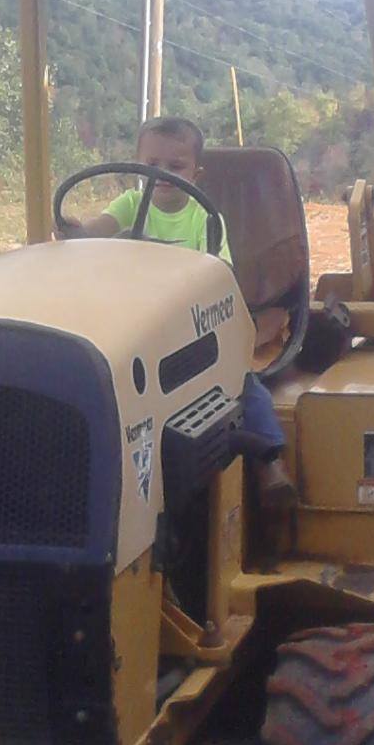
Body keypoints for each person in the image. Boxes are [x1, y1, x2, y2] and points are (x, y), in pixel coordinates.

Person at [60, 116, 296, 511]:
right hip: (138, 326)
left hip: (193, 331)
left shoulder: (205, 219)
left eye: (175, 167)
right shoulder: (132, 205)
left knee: (247, 386)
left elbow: (218, 278)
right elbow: (98, 230)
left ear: (195, 173)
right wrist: (78, 232)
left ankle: (270, 461)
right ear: (136, 165)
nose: (162, 175)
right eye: (152, 164)